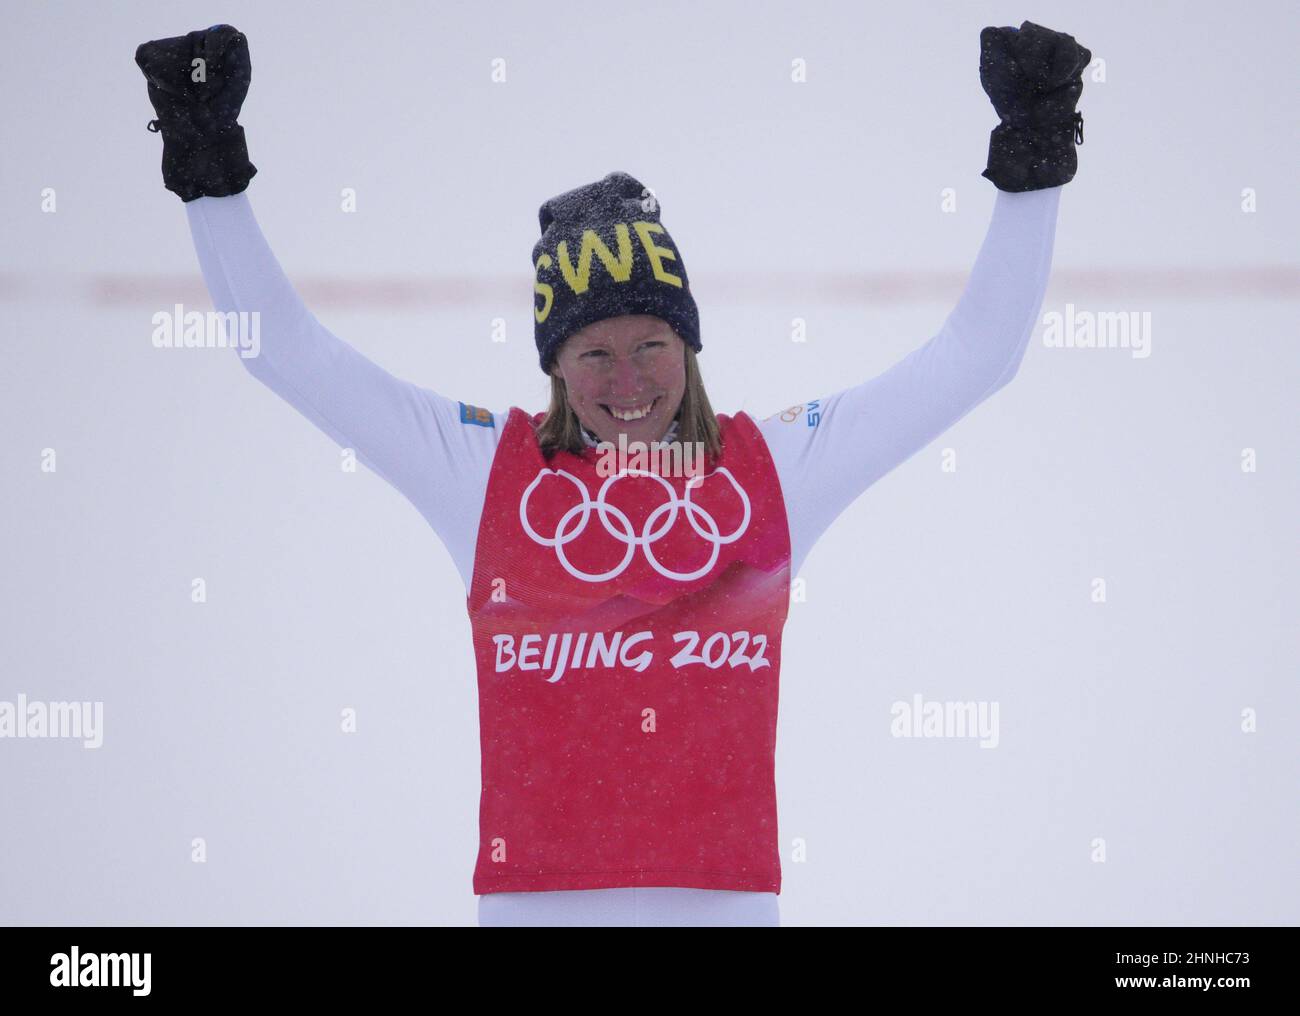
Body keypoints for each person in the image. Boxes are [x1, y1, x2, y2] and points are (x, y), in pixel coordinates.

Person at [135, 21, 1090, 928]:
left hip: (724, 903)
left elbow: (980, 355)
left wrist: (1031, 157)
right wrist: (210, 171)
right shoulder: (482, 473)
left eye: (651, 343)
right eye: (594, 354)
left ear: (691, 344)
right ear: (552, 363)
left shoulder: (775, 471)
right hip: (532, 906)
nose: (628, 382)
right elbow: (282, 354)